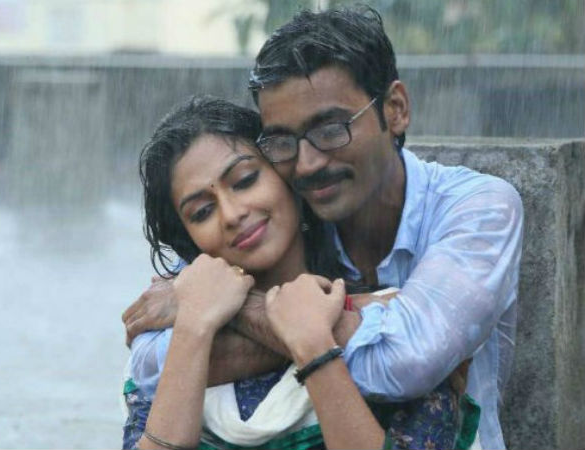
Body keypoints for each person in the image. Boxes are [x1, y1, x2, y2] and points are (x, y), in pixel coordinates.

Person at [123, 6, 522, 449]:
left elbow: (405, 362)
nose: (307, 163)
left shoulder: (478, 208)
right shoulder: (280, 218)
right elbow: (150, 361)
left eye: (331, 129)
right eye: (283, 141)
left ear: (395, 109)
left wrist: (242, 310)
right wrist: (361, 315)